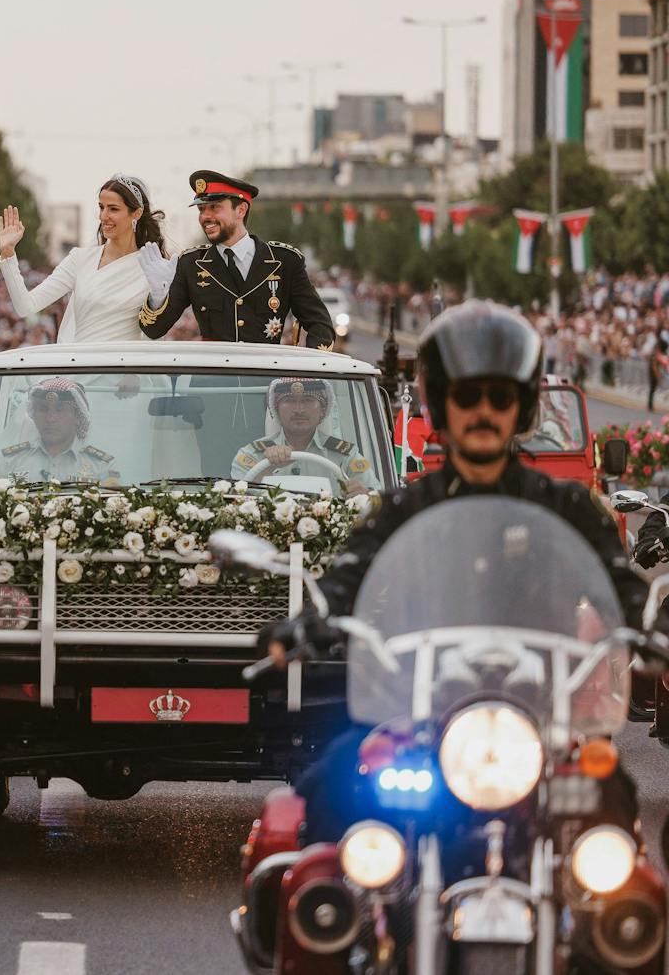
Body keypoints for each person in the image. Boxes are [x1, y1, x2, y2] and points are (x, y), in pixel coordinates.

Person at [262, 302, 647, 843]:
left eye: (501, 397)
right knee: (326, 794)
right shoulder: (404, 508)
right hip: (420, 708)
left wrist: (650, 628)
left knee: (614, 811)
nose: (484, 411)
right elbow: (346, 577)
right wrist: (310, 621)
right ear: (441, 405)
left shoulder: (571, 508)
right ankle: (324, 919)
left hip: (542, 714)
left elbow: (621, 585)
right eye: (468, 396)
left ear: (523, 408)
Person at [138, 170, 336, 349]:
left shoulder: (284, 261)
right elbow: (154, 330)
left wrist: (306, 373)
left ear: (241, 210)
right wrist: (158, 296)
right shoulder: (191, 264)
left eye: (214, 208)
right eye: (201, 210)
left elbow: (321, 326)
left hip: (265, 382)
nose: (205, 217)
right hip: (212, 382)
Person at [0, 175, 169, 343]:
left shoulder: (153, 267)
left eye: (113, 209)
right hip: (80, 367)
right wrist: (8, 253)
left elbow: (153, 339)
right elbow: (26, 306)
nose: (103, 216)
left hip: (125, 370)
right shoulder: (79, 259)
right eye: (102, 207)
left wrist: (158, 300)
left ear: (136, 213)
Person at [230, 378, 371, 494]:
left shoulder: (346, 456)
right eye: (289, 400)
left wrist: (364, 495)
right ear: (276, 409)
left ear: (322, 409)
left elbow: (378, 499)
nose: (299, 410)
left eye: (308, 400)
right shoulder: (252, 454)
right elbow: (234, 498)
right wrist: (267, 468)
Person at [0, 377, 120, 486]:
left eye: (59, 410)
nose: (50, 418)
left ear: (78, 417)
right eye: (43, 409)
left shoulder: (101, 465)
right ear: (34, 415)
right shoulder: (8, 460)